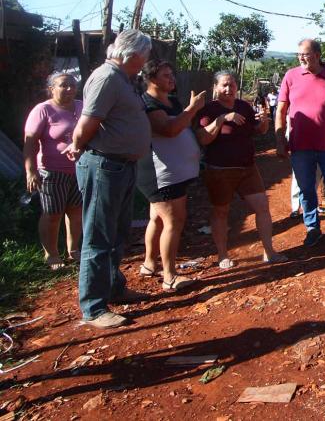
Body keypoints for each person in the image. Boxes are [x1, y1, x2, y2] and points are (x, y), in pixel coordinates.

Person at [64, 29, 153, 329]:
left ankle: (114, 288)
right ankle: (93, 306)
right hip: (104, 166)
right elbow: (86, 123)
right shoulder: (106, 78)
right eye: (143, 57)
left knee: (117, 233)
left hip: (121, 167)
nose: (144, 63)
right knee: (98, 236)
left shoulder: (121, 79)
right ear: (130, 55)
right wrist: (77, 146)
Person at [195, 71, 287, 268]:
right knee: (221, 212)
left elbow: (259, 131)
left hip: (247, 167)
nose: (229, 89)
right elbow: (203, 139)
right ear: (216, 88)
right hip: (220, 170)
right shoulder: (208, 110)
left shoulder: (243, 106)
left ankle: (269, 251)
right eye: (224, 85)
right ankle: (222, 256)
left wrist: (264, 121)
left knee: (262, 207)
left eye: (232, 85)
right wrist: (222, 119)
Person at [136, 60, 206, 291]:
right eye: (166, 75)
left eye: (172, 75)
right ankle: (170, 276)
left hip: (175, 173)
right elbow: (170, 129)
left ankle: (149, 264)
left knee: (157, 219)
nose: (172, 79)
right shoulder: (148, 104)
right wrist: (192, 108)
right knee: (173, 222)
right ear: (152, 78)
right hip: (160, 175)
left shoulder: (172, 101)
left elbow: (184, 126)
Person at [275, 39, 325, 247]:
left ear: (317, 55)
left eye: (305, 54)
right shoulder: (291, 76)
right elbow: (281, 111)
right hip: (300, 146)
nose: (301, 58)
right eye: (299, 54)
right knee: (306, 188)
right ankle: (312, 228)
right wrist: (280, 140)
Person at [23, 72, 83, 270]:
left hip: (79, 170)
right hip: (51, 171)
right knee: (53, 213)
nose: (69, 89)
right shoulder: (43, 110)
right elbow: (30, 142)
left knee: (76, 211)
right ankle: (52, 255)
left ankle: (74, 252)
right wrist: (30, 171)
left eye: (72, 85)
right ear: (51, 89)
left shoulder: (82, 106)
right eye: (63, 85)